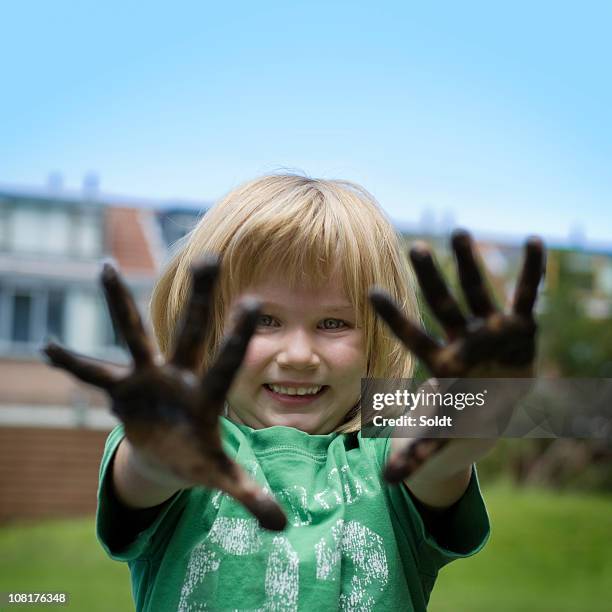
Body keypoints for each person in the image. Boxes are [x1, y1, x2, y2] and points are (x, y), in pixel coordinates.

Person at [43, 174, 544, 611]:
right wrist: (157, 449)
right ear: (204, 326)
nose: (299, 354)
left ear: (377, 336)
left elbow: (439, 446)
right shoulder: (188, 444)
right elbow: (146, 471)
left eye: (333, 322)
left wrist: (479, 394)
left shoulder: (384, 454)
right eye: (263, 320)